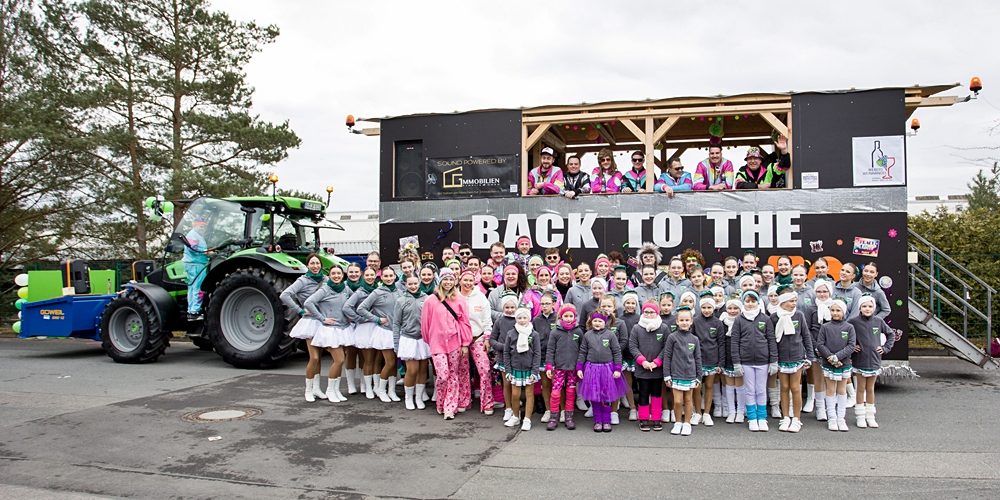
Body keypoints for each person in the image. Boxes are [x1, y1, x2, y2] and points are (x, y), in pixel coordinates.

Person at [420, 269, 473, 420]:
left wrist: (465, 343)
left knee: (453, 374)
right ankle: (441, 402)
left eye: (451, 279)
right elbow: (425, 323)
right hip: (437, 344)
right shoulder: (430, 300)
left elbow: (465, 322)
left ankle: (450, 407)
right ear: (440, 281)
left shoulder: (459, 299)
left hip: (455, 342)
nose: (448, 282)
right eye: (445, 279)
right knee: (442, 375)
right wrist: (429, 340)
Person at [281, 253, 327, 402]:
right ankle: (308, 389)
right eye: (312, 263)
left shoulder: (325, 279)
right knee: (313, 357)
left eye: (317, 263)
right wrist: (299, 310)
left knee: (319, 357)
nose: (315, 266)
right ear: (308, 265)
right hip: (310, 321)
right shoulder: (302, 280)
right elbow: (285, 295)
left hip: (322, 320)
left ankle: (317, 388)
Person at [730, 290, 777, 432]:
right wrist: (736, 362)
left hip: (763, 361)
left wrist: (773, 360)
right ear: (744, 302)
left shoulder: (765, 319)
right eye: (747, 301)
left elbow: (771, 340)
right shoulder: (739, 320)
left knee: (761, 390)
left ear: (758, 302)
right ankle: (752, 418)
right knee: (750, 390)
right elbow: (735, 342)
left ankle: (762, 418)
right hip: (746, 361)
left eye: (753, 301)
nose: (750, 304)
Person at [306, 265, 354, 403]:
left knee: (339, 360)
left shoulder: (345, 288)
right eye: (333, 273)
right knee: (339, 360)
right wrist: (322, 318)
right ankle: (325, 390)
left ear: (342, 275)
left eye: (339, 273)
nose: (336, 276)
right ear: (330, 275)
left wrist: (352, 315)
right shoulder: (325, 289)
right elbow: (309, 302)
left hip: (344, 328)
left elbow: (354, 301)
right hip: (330, 329)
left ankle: (336, 390)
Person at [849, 295, 895, 429]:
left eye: (870, 306)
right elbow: (846, 335)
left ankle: (870, 416)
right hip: (860, 360)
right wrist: (852, 347)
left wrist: (885, 348)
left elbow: (891, 334)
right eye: (864, 306)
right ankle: (860, 416)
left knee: (870, 389)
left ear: (874, 308)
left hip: (874, 360)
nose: (867, 309)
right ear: (860, 308)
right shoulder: (853, 322)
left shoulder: (879, 321)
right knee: (860, 389)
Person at [359, 266, 404, 403]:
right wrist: (376, 319)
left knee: (394, 363)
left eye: (391, 276)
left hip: (397, 332)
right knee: (389, 362)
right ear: (382, 277)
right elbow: (361, 308)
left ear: (395, 277)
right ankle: (380, 389)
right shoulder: (377, 292)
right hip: (384, 332)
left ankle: (391, 390)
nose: (389, 278)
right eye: (386, 276)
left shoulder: (400, 291)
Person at [577, 311, 627, 433]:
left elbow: (616, 352)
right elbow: (582, 352)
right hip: (592, 369)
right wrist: (579, 367)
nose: (597, 323)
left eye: (600, 321)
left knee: (606, 396)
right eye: (595, 321)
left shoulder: (610, 335)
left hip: (607, 370)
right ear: (591, 322)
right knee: (595, 397)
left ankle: (606, 420)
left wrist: (617, 368)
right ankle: (598, 421)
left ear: (605, 322)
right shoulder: (587, 335)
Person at [771, 285, 813, 432]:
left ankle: (796, 418)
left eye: (795, 300)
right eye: (790, 301)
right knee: (784, 387)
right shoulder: (774, 317)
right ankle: (785, 417)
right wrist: (774, 359)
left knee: (795, 388)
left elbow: (806, 336)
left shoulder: (799, 315)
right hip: (781, 358)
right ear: (782, 302)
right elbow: (772, 340)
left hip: (797, 356)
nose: (793, 303)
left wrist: (810, 356)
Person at [458, 269, 495, 415]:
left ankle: (487, 402)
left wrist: (487, 337)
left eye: (470, 280)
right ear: (460, 280)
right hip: (460, 340)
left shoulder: (480, 297)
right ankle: (464, 400)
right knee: (462, 370)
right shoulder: (455, 296)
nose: (468, 283)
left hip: (478, 337)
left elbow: (487, 320)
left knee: (484, 370)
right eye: (465, 280)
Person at [816, 300, 856, 432]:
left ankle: (841, 418)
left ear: (843, 312)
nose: (835, 313)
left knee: (842, 390)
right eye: (832, 310)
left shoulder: (849, 327)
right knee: (830, 390)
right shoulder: (825, 327)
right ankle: (832, 418)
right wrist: (830, 358)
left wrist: (837, 357)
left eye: (838, 310)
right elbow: (820, 344)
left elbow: (851, 345)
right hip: (829, 364)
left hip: (843, 363)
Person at [662, 307, 703, 436]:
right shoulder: (672, 337)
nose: (684, 322)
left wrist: (698, 377)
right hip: (676, 375)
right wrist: (667, 375)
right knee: (678, 401)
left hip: (690, 375)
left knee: (688, 400)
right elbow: (667, 356)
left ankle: (687, 423)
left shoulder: (694, 339)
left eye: (687, 320)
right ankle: (678, 422)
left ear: (691, 321)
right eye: (682, 320)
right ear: (677, 322)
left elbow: (697, 358)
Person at [392, 275, 430, 410]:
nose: (413, 286)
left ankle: (419, 397)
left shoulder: (426, 299)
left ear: (419, 283)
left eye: (415, 283)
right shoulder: (401, 300)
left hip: (423, 340)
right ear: (405, 284)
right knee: (412, 370)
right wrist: (396, 343)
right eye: (410, 284)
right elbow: (396, 323)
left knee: (422, 370)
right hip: (408, 339)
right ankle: (409, 397)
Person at [630, 302, 669, 432]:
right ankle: (644, 418)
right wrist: (643, 361)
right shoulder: (637, 328)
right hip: (643, 369)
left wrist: (657, 362)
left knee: (657, 394)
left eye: (651, 312)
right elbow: (633, 346)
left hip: (657, 369)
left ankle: (657, 417)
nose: (649, 314)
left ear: (657, 313)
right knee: (643, 393)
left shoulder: (663, 328)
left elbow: (666, 347)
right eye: (646, 312)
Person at [343, 267, 379, 399]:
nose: (369, 277)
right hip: (358, 326)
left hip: (373, 326)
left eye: (372, 275)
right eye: (367, 275)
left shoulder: (377, 289)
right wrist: (359, 319)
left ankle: (366, 384)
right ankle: (351, 384)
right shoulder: (354, 290)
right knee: (352, 354)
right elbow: (346, 307)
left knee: (369, 358)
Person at [503, 307, 541, 431]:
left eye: (525, 318)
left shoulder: (534, 334)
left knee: (530, 394)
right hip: (515, 369)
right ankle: (515, 416)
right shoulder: (511, 334)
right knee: (515, 395)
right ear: (516, 318)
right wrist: (508, 370)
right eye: (519, 318)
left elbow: (537, 353)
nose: (522, 320)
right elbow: (506, 353)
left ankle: (527, 419)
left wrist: (535, 371)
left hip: (529, 369)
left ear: (529, 319)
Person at [545, 304, 583, 430]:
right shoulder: (555, 332)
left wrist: (579, 366)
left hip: (573, 369)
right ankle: (553, 417)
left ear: (574, 317)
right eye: (565, 316)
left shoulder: (578, 331)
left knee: (571, 392)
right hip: (559, 368)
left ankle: (569, 417)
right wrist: (549, 366)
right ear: (561, 317)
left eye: (570, 316)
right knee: (555, 393)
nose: (568, 318)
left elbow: (582, 350)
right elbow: (550, 349)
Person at [692, 297, 724, 427]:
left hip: (712, 359)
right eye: (704, 307)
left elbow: (721, 343)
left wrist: (720, 363)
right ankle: (698, 412)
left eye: (709, 307)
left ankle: (706, 413)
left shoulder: (718, 323)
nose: (706, 310)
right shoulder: (695, 321)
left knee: (709, 386)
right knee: (697, 387)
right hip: (697, 359)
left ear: (713, 308)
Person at [808, 279, 835, 421]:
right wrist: (816, 347)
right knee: (818, 378)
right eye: (819, 291)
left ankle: (831, 406)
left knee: (830, 379)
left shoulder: (835, 307)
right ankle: (820, 408)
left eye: (825, 291)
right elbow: (807, 330)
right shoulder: (811, 309)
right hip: (816, 349)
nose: (822, 294)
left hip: (832, 349)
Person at [491, 293, 519, 421]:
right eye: (507, 307)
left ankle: (516, 409)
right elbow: (492, 339)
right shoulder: (499, 321)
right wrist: (503, 347)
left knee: (516, 385)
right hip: (503, 358)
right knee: (506, 384)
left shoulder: (520, 320)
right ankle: (508, 408)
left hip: (518, 358)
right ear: (503, 308)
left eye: (512, 307)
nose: (510, 310)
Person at [531, 292, 557, 423]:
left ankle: (560, 410)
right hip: (542, 356)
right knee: (545, 384)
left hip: (556, 357)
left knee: (557, 385)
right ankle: (548, 410)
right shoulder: (536, 320)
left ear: (553, 304)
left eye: (547, 303)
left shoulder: (558, 318)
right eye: (542, 304)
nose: (545, 306)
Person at [182, 213, 213, 320]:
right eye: (201, 225)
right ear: (195, 224)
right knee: (198, 287)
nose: (202, 227)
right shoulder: (192, 235)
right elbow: (192, 249)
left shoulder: (196, 235)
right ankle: (195, 311)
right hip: (196, 264)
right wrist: (207, 252)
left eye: (204, 226)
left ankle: (191, 311)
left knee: (192, 288)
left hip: (195, 263)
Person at [720, 299, 745, 423]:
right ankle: (731, 411)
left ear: (740, 310)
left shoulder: (743, 322)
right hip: (726, 356)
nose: (732, 311)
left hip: (740, 358)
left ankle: (740, 411)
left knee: (740, 385)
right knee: (729, 385)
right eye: (730, 308)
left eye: (736, 308)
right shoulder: (722, 323)